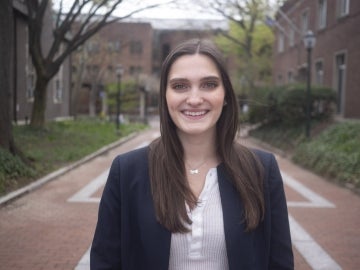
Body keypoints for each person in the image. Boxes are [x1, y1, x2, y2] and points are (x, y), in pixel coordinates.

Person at [90, 39, 294, 270]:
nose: (195, 99)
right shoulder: (127, 171)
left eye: (209, 84)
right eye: (180, 86)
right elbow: (104, 262)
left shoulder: (261, 169)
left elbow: (280, 263)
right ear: (165, 96)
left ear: (225, 94)